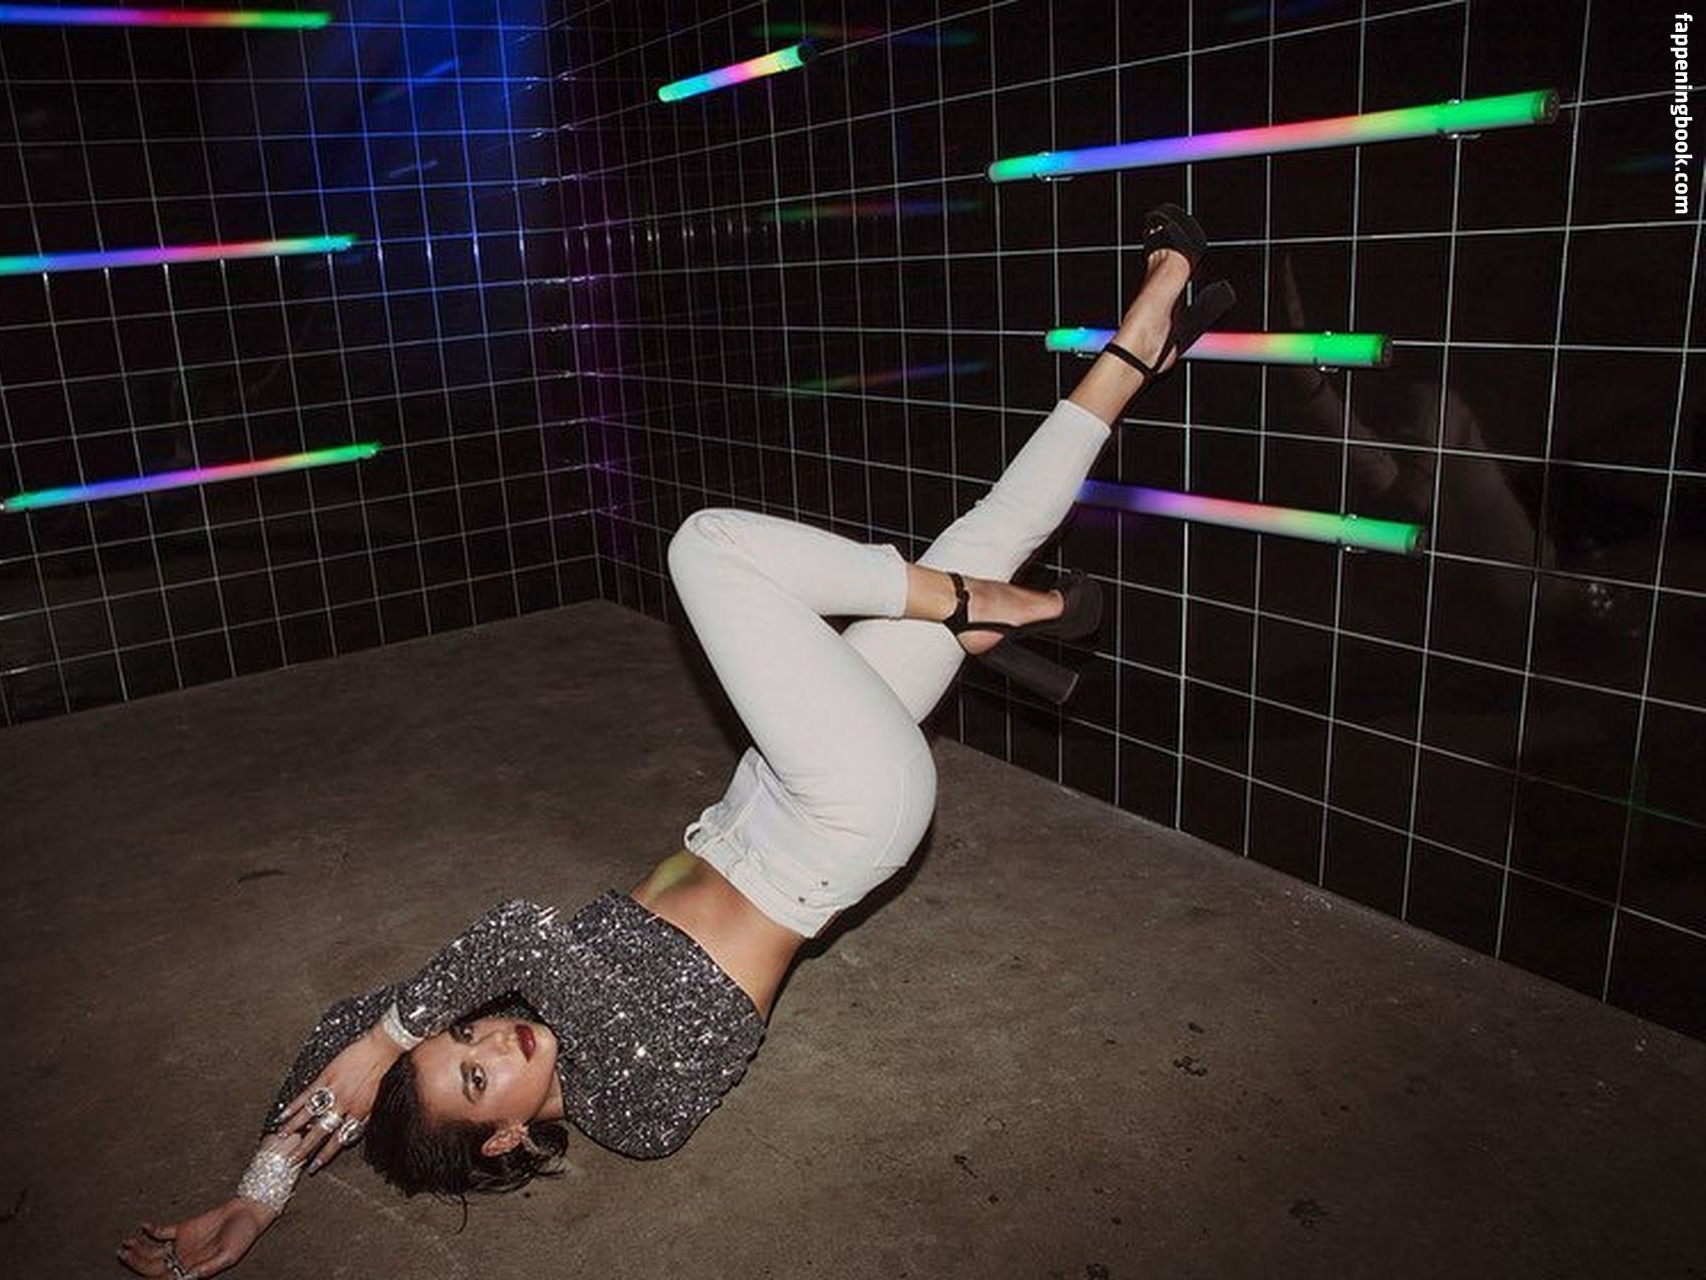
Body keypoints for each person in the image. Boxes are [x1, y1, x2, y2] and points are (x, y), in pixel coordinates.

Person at [116, 205, 1234, 1280]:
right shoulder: (634, 1114)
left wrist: (262, 1185)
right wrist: (392, 1040)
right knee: (710, 549)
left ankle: (1142, 339)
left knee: (978, 534)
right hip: (843, 819)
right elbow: (515, 931)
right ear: (505, 1139)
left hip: (770, 786)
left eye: (464, 1038)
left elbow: (346, 1024)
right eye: (478, 1077)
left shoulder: (517, 1017)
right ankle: (986, 608)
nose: (492, 1040)